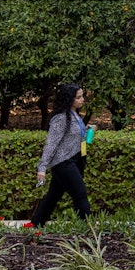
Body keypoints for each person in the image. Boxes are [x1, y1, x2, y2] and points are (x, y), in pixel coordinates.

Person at [32, 84, 94, 227]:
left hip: (75, 160)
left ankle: (35, 224)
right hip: (63, 163)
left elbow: (71, 137)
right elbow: (51, 143)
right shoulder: (60, 118)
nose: (82, 100)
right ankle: (88, 229)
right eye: (78, 97)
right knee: (80, 195)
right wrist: (42, 167)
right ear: (69, 99)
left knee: (53, 197)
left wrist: (85, 131)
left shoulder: (75, 114)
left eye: (82, 96)